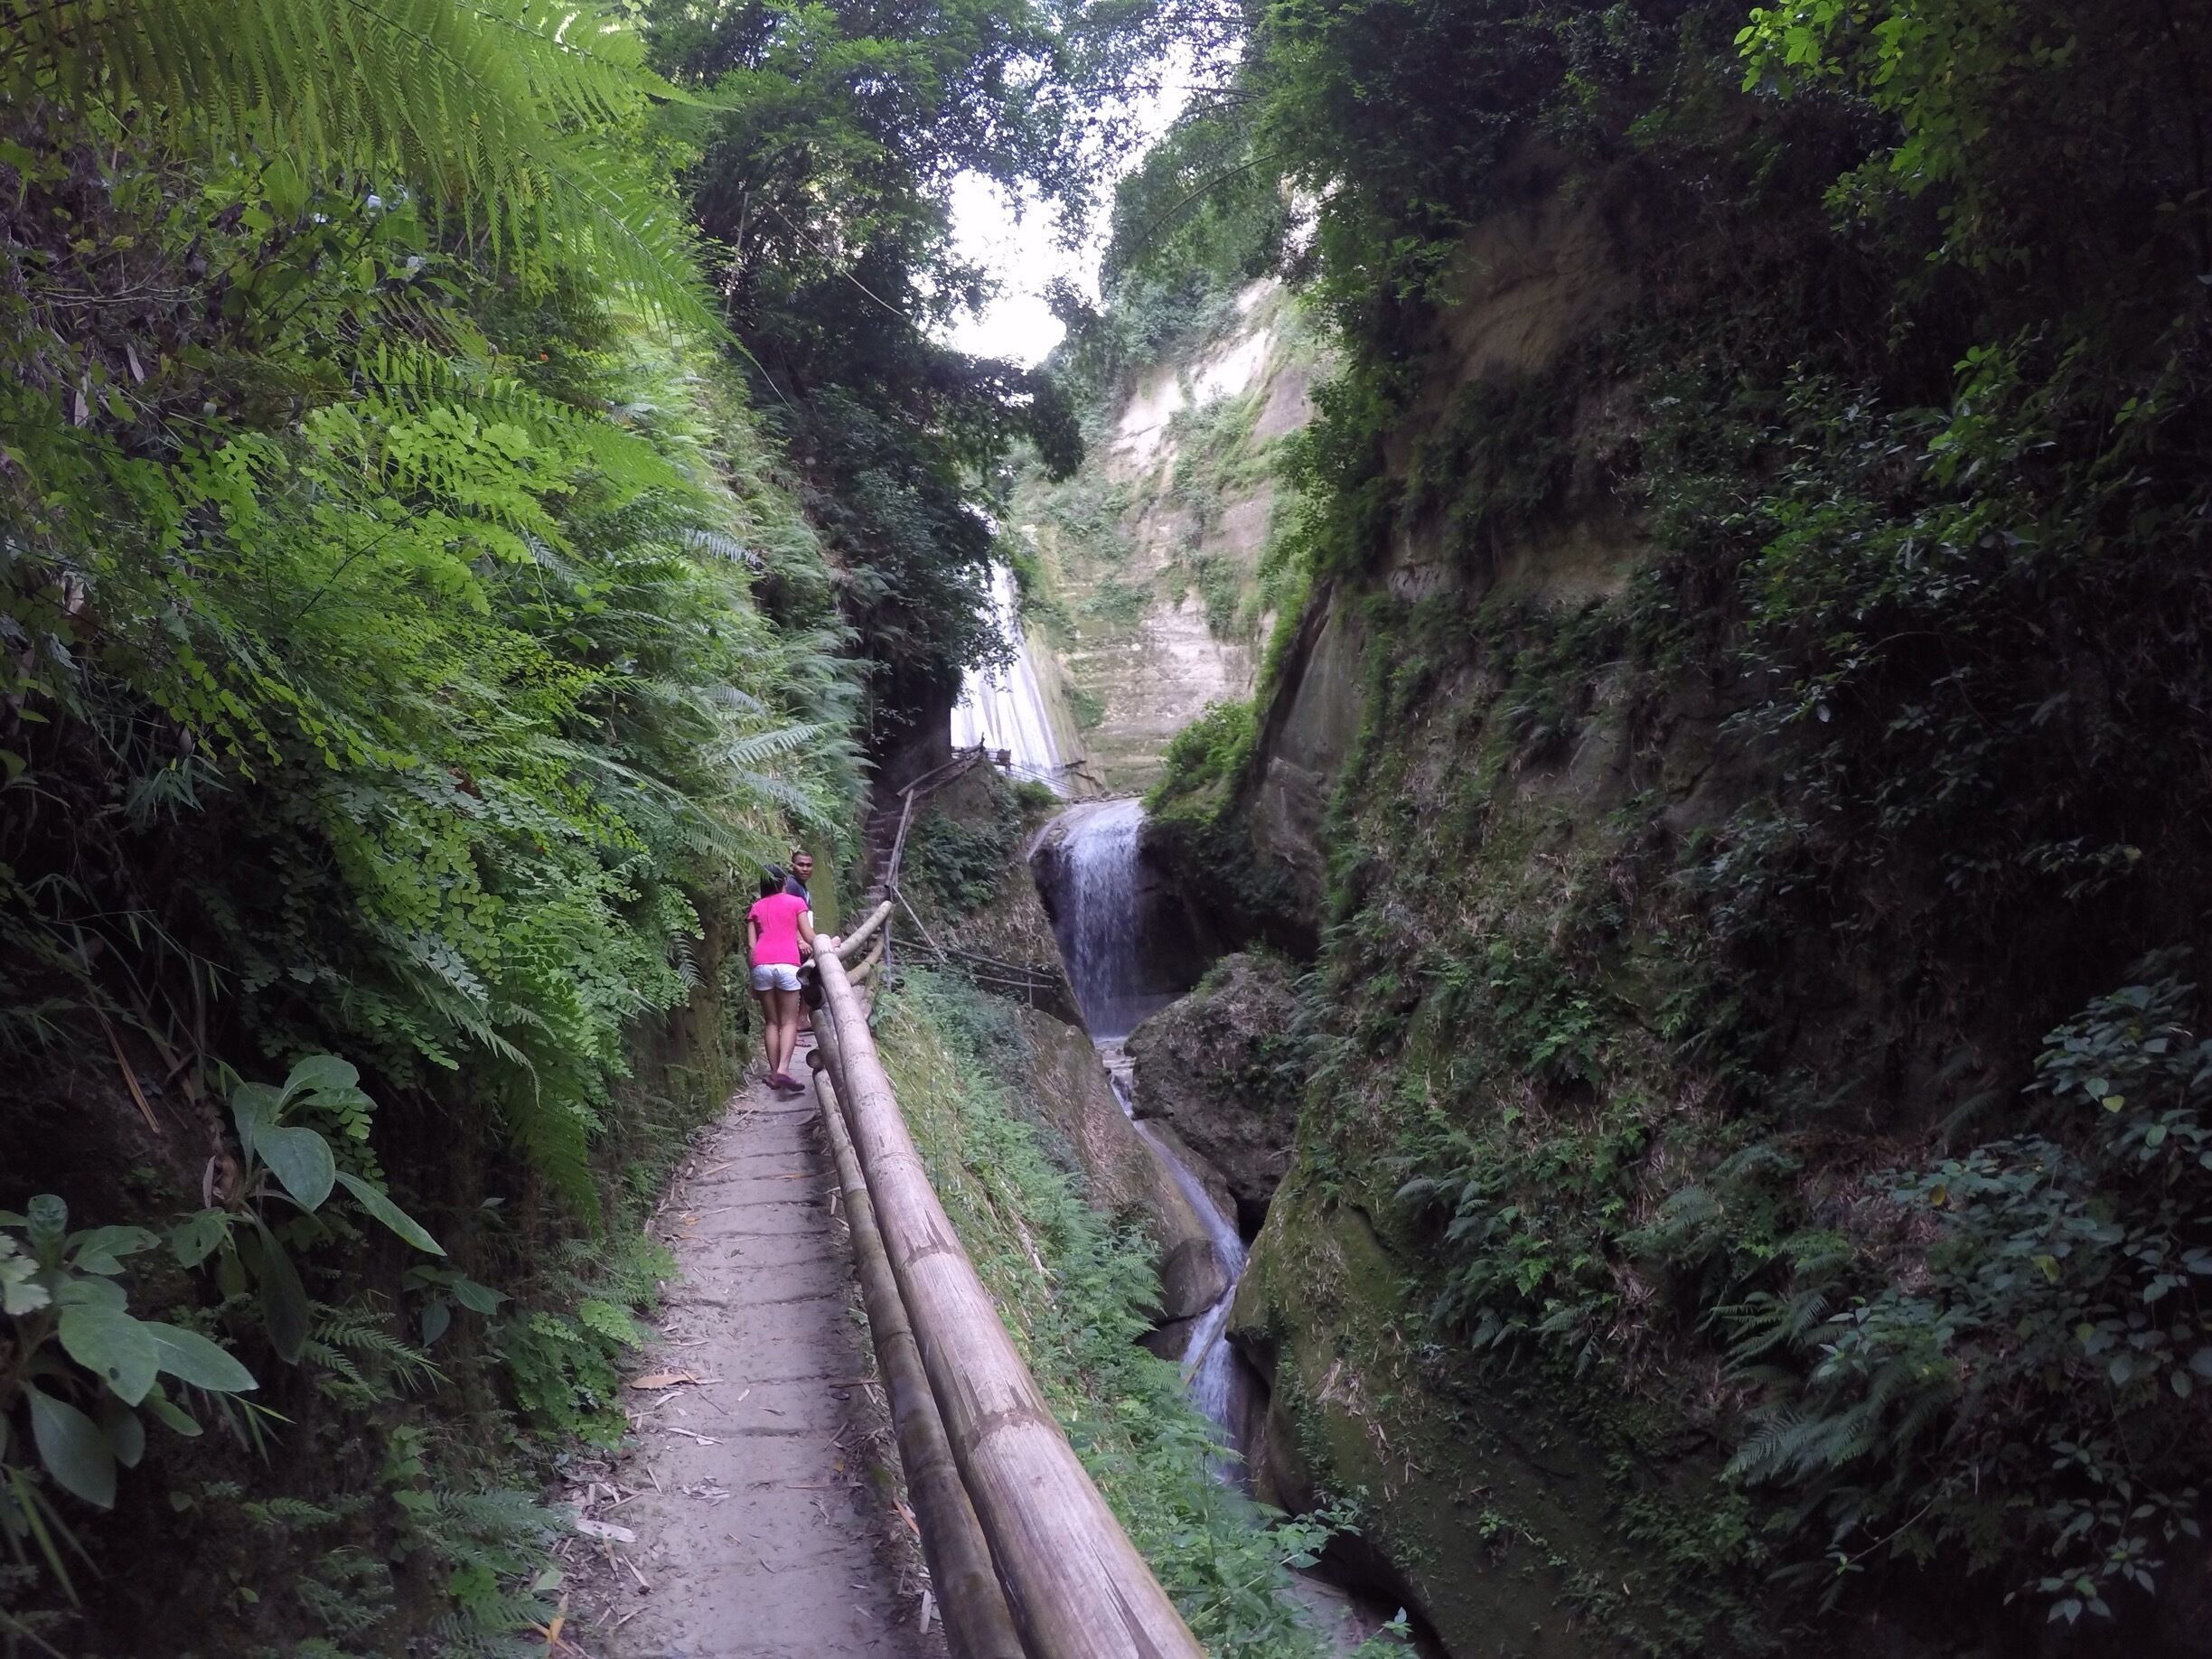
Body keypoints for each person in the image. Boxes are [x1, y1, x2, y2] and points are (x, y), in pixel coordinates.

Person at [746, 867, 814, 1095]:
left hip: (760, 964)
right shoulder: (796, 903)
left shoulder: (755, 907)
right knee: (789, 1021)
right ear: (784, 881)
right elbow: (808, 936)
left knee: (771, 1022)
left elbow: (751, 946)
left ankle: (775, 1073)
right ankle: (784, 1069)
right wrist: (829, 944)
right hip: (787, 963)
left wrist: (752, 976)